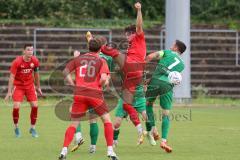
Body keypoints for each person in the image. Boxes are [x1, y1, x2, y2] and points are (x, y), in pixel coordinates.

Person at [58, 38, 118, 160]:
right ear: (100, 49)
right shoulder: (101, 61)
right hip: (94, 93)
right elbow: (103, 79)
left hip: (79, 93)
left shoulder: (78, 59)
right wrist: (100, 86)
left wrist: (73, 84)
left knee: (74, 124)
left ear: (88, 47)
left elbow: (65, 72)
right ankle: (110, 151)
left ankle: (64, 151)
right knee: (106, 121)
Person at [100, 2, 147, 144]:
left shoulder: (139, 37)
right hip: (134, 76)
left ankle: (97, 46)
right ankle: (139, 129)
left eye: (128, 34)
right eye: (126, 34)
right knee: (127, 104)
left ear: (134, 34)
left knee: (113, 52)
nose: (127, 37)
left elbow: (139, 25)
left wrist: (139, 10)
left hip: (133, 67)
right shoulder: (131, 47)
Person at [145, 40, 186, 152]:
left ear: (176, 48)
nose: (171, 46)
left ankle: (153, 129)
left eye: (173, 45)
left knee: (148, 105)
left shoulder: (166, 52)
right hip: (167, 86)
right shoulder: (182, 65)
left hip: (155, 81)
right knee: (166, 114)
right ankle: (164, 141)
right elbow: (176, 78)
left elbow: (150, 56)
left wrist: (143, 66)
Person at [5, 44, 43, 138]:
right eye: (28, 50)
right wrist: (9, 92)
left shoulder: (35, 61)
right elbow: (11, 77)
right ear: (24, 51)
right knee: (16, 106)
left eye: (31, 50)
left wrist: (38, 87)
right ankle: (16, 127)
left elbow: (36, 74)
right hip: (18, 86)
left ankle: (33, 128)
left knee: (35, 106)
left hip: (30, 86)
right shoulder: (17, 62)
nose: (30, 52)